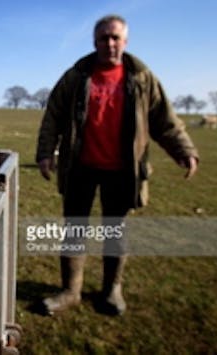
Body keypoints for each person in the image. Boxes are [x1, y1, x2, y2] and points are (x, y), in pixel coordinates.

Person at [35, 14, 199, 316]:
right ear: (94, 41)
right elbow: (53, 116)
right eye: (103, 38)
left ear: (125, 41)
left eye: (115, 37)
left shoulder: (141, 77)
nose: (110, 43)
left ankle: (111, 290)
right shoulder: (76, 75)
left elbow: (164, 119)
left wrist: (183, 150)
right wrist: (46, 151)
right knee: (74, 230)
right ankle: (70, 291)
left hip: (123, 171)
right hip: (80, 168)